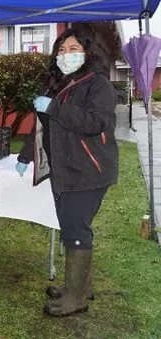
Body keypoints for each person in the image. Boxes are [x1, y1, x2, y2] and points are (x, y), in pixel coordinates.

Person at [15, 28, 118, 317]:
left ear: (86, 53)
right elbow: (41, 128)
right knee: (72, 227)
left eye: (73, 49)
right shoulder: (57, 84)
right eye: (61, 50)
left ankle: (76, 299)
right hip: (64, 169)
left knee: (75, 229)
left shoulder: (97, 85)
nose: (66, 55)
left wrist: (56, 108)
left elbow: (95, 122)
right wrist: (25, 155)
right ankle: (79, 286)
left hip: (88, 170)